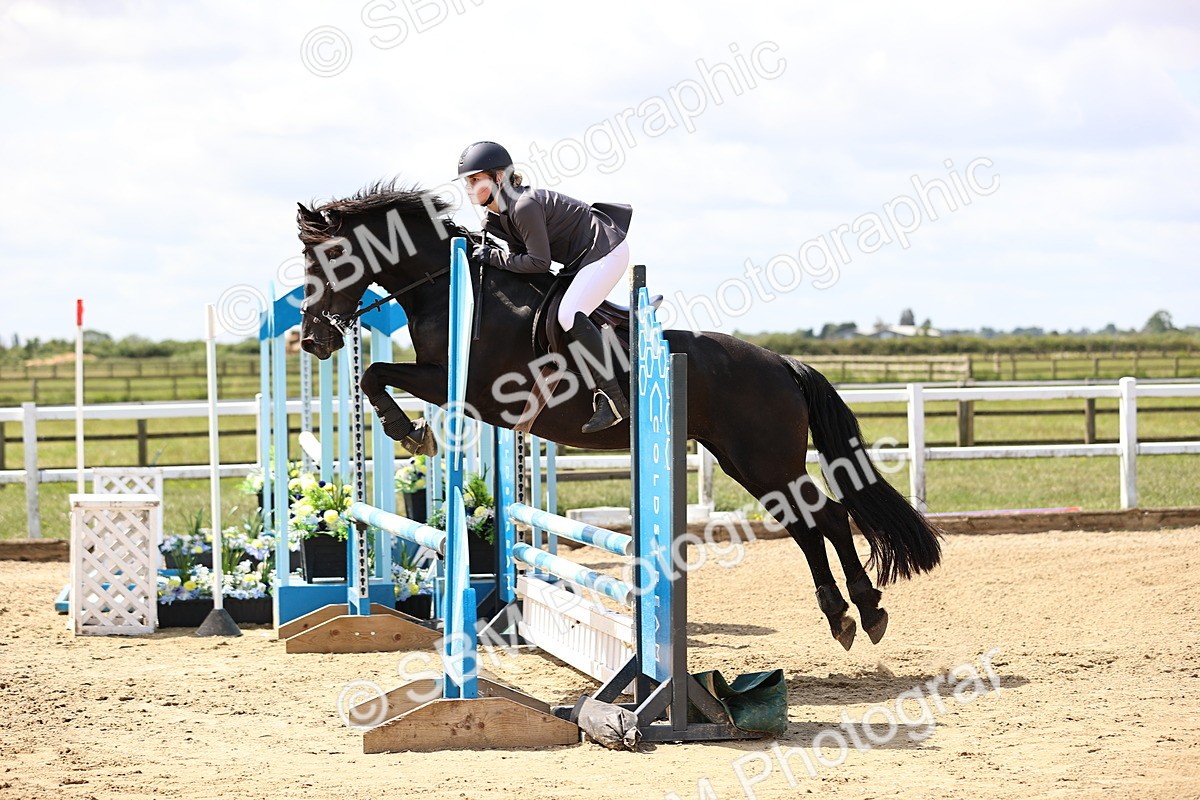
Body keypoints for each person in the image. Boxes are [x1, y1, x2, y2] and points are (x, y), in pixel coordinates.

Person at [458, 141, 634, 434]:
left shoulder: (524, 205)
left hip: (605, 250)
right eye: (468, 181)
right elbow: (518, 259)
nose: (469, 187)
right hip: (579, 261)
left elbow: (538, 262)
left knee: (568, 315)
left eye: (476, 179)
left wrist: (491, 255)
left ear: (498, 177)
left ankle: (614, 400)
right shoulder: (500, 215)